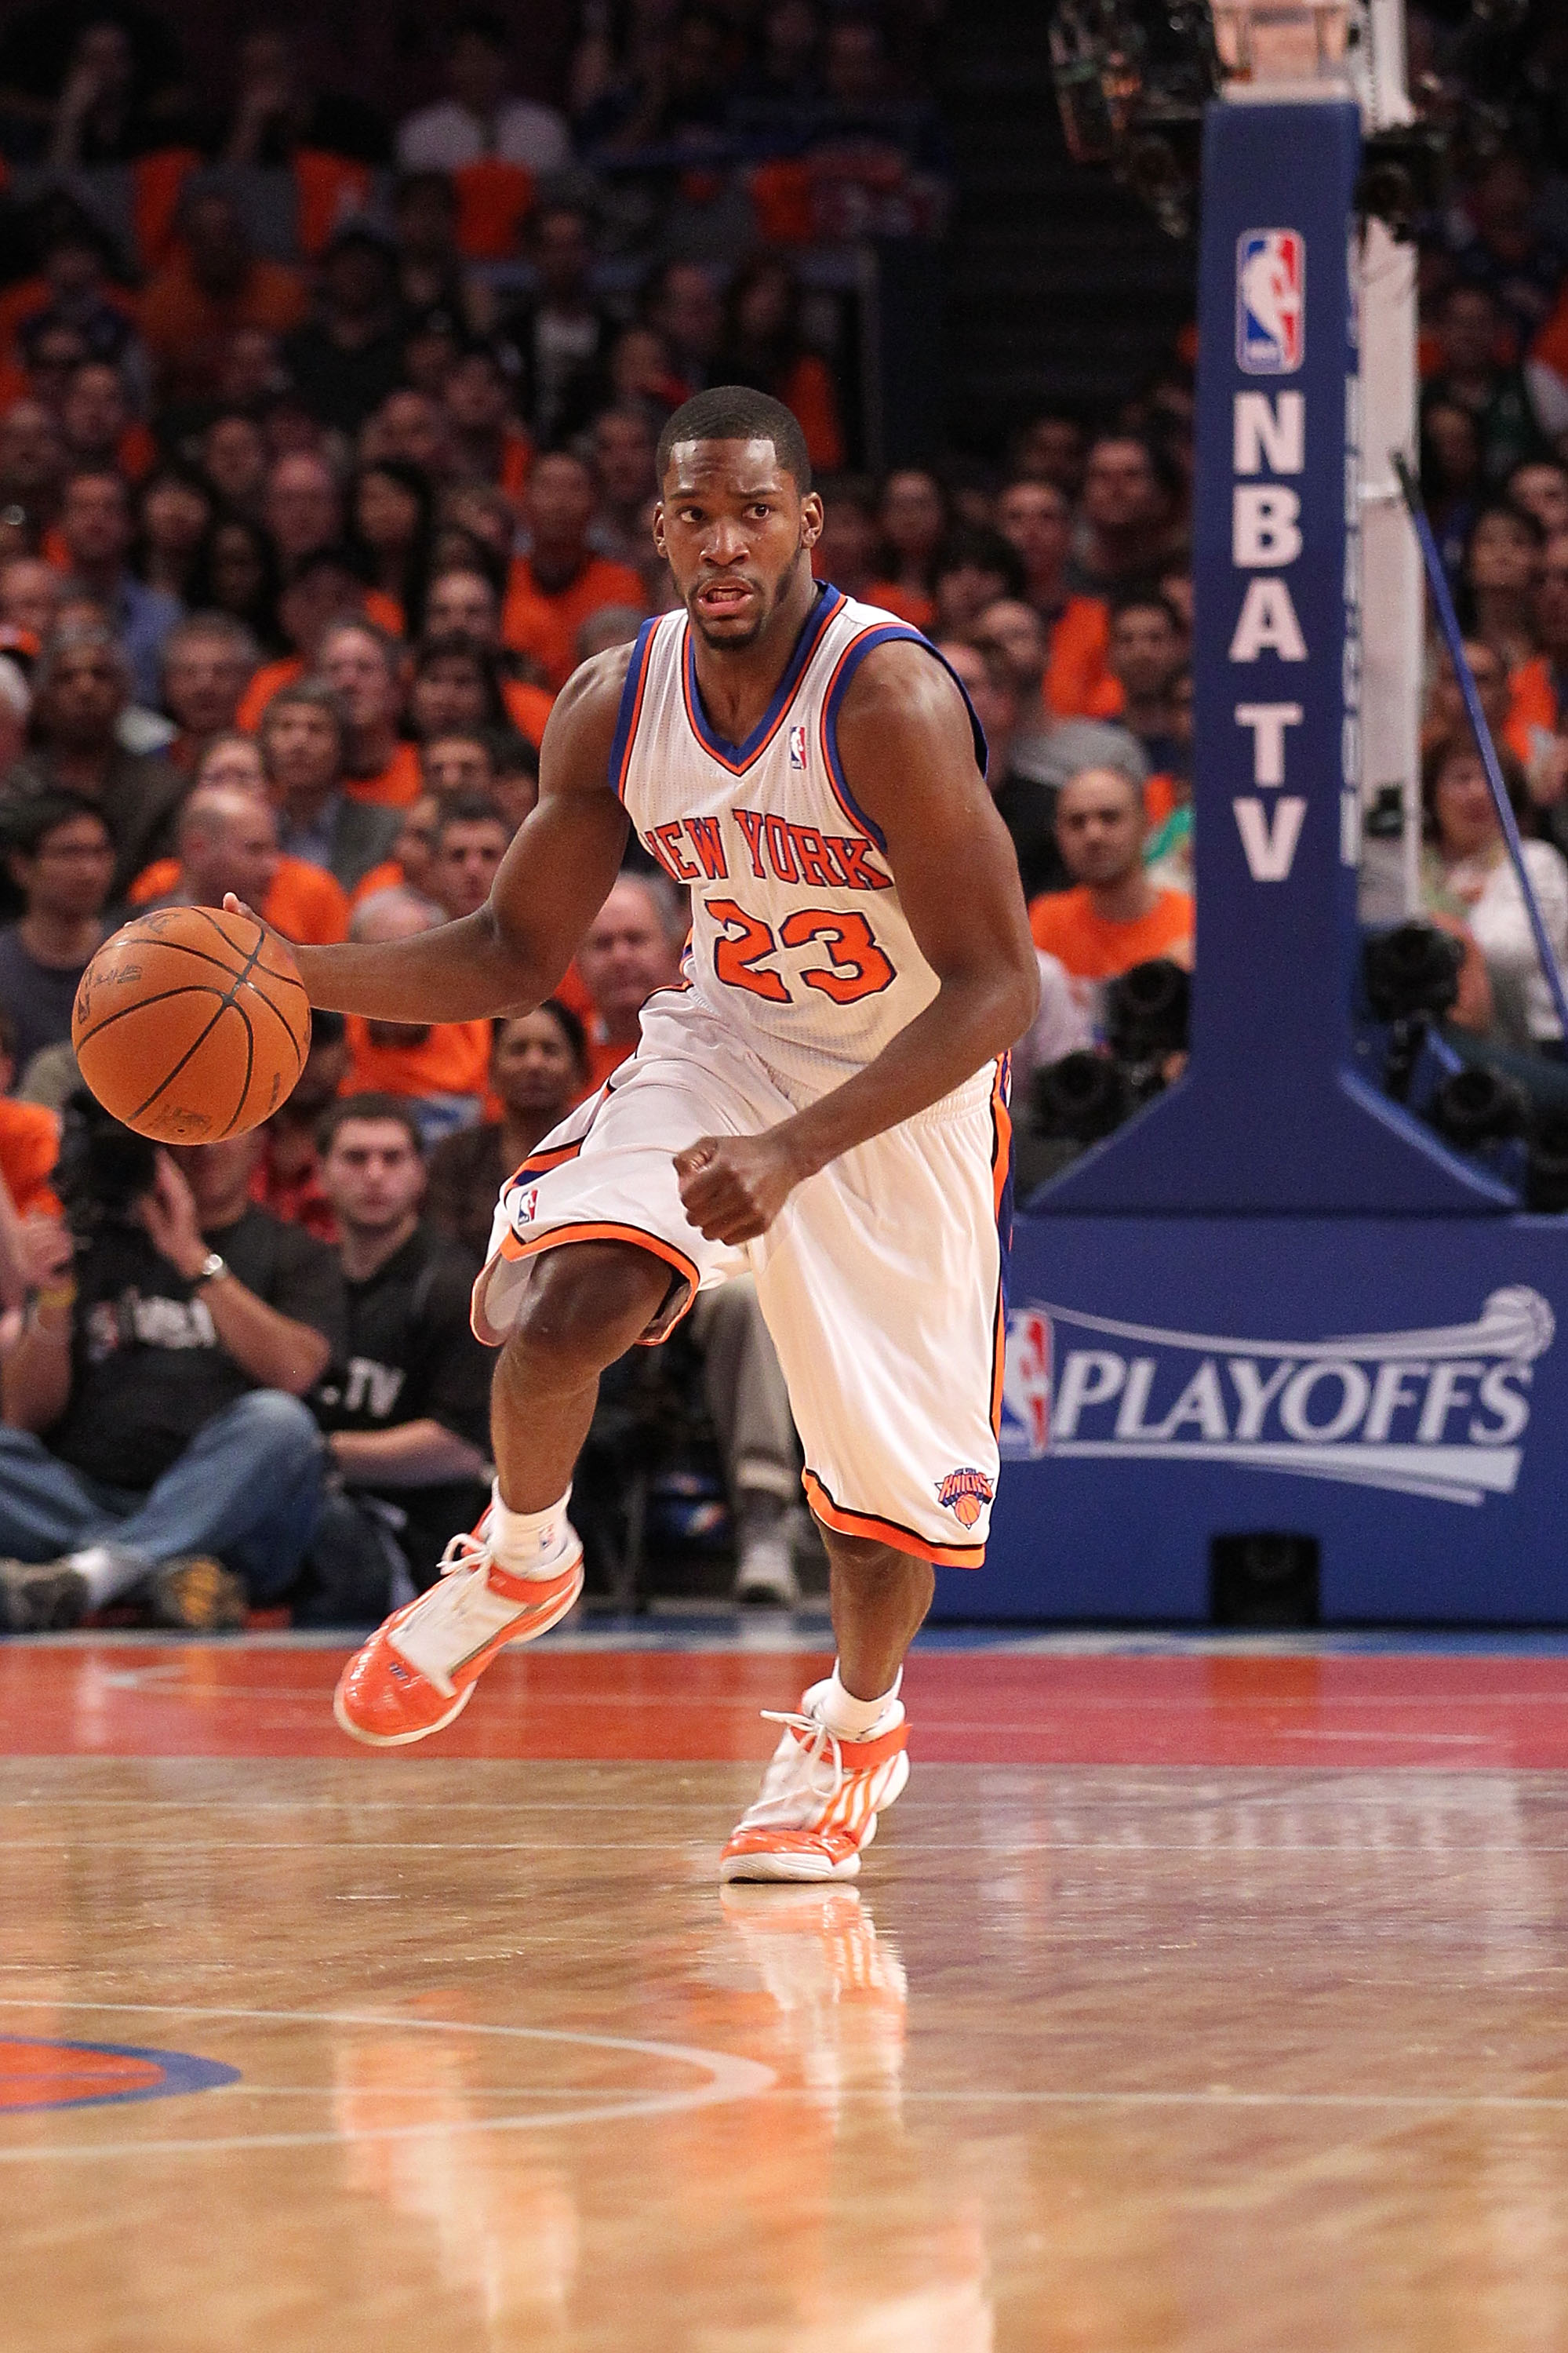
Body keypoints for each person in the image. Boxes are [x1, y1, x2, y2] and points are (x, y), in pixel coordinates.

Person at [231, 384, 1038, 1882]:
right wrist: (289, 973)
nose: (723, 543)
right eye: (694, 515)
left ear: (806, 523)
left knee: (872, 1524)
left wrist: (793, 1151)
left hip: (902, 1086)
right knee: (565, 1310)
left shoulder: (886, 702)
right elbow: (505, 953)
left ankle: (855, 1732)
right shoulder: (615, 698)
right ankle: (522, 1558)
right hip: (726, 1042)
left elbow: (999, 987)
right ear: (657, 531)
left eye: (753, 512)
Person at [0, 1124, 344, 1632]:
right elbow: (24, 1416)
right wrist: (53, 1296)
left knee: (280, 1422)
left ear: (259, 1143)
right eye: (191, 1131)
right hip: (86, 1493)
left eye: (226, 1131)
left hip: (231, 1509)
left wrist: (191, 1256)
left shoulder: (294, 1252)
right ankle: (151, 1573)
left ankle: (91, 1573)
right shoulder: (92, 1245)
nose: (206, 1147)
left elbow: (296, 1373)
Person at [306, 1096, 493, 1619]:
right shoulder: (304, 1275)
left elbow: (462, 1447)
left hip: (414, 1540)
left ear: (419, 1174)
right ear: (321, 1174)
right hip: (317, 1502)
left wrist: (313, 1454)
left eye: (391, 1158)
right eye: (355, 1158)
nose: (374, 1175)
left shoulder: (453, 1284)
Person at [2, 622, 184, 906]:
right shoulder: (12, 786)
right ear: (41, 698)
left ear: (124, 693)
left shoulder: (162, 791)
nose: (85, 688)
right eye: (66, 677)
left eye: (100, 675)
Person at [1421, 735, 1568, 1054]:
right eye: (1462, 779)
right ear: (1431, 794)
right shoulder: (1406, 869)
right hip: (1434, 1036)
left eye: (1491, 778)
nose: (1478, 791)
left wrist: (1443, 920)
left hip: (1535, 1044)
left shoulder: (1534, 861)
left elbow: (1508, 953)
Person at [427, 1001, 591, 1260]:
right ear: (491, 1071)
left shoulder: (599, 1153)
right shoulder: (457, 1156)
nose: (534, 1063)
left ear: (580, 1072)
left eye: (550, 1051)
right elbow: (441, 1251)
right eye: (518, 1050)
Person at [1029, 764, 1193, 1023]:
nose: (1093, 835)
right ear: (1058, 834)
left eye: (1110, 817)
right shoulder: (1045, 920)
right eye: (1077, 822)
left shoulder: (1192, 923)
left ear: (1147, 824)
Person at [340, 887, 493, 1141]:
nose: (396, 976)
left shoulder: (485, 1032)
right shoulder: (329, 1040)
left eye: (412, 959)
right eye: (379, 959)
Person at [140, 779, 351, 949]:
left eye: (273, 850)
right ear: (198, 848)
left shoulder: (283, 954)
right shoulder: (131, 936)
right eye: (254, 849)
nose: (272, 868)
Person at [501, 452, 646, 692]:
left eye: (574, 488)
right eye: (547, 487)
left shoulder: (622, 584)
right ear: (523, 499)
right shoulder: (501, 580)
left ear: (596, 502)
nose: (560, 502)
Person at [936, 638, 1065, 901]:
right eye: (934, 683)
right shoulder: (890, 813)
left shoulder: (1050, 814)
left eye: (965, 684)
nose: (946, 695)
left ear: (1003, 703)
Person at [0, 790, 114, 1067]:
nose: (89, 871)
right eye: (69, 853)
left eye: (99, 852)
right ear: (21, 867)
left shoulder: (134, 958)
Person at [259, 678, 402, 896]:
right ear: (266, 744)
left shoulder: (384, 830)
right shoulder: (251, 829)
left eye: (316, 729)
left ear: (342, 746)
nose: (299, 742)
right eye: (286, 727)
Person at [56, 465, 182, 704]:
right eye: (83, 508)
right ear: (61, 524)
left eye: (109, 508)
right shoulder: (40, 608)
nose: (96, 519)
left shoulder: (164, 617)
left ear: (132, 525)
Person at [396, 9, 572, 175]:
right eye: (467, 58)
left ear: (506, 62)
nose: (477, 70)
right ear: (450, 65)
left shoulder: (545, 128)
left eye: (487, 57)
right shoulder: (421, 133)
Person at [575, 871, 686, 1089]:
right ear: (578, 961)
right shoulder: (558, 1055)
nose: (620, 958)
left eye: (635, 939)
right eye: (603, 944)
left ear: (675, 950)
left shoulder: (708, 1047)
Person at [251, 1009, 351, 1242]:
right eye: (291, 1044)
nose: (305, 1057)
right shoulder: (232, 1142)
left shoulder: (368, 1150)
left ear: (348, 1058)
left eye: (318, 1043)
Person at [318, 620, 421, 809]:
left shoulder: (429, 770)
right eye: (334, 669)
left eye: (365, 668)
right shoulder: (296, 781)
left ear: (396, 690)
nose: (348, 682)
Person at [160, 612, 261, 773]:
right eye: (188, 672)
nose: (204, 686)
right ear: (166, 682)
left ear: (247, 679)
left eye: (221, 672)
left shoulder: (271, 766)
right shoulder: (147, 767)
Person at [424, 791, 511, 923]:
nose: (473, 870)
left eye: (489, 855)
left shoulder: (539, 934)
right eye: (458, 856)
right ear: (434, 867)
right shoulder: (406, 932)